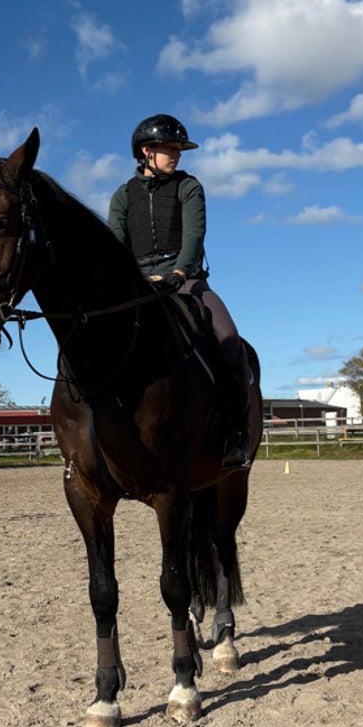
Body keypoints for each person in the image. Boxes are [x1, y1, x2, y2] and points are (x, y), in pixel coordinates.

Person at [108, 113, 253, 468]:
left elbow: (194, 235)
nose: (176, 155)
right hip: (139, 284)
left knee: (228, 340)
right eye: (168, 149)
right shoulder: (123, 195)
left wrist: (180, 271)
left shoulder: (189, 187)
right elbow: (115, 245)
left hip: (186, 280)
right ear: (146, 151)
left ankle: (237, 433)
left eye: (178, 150)